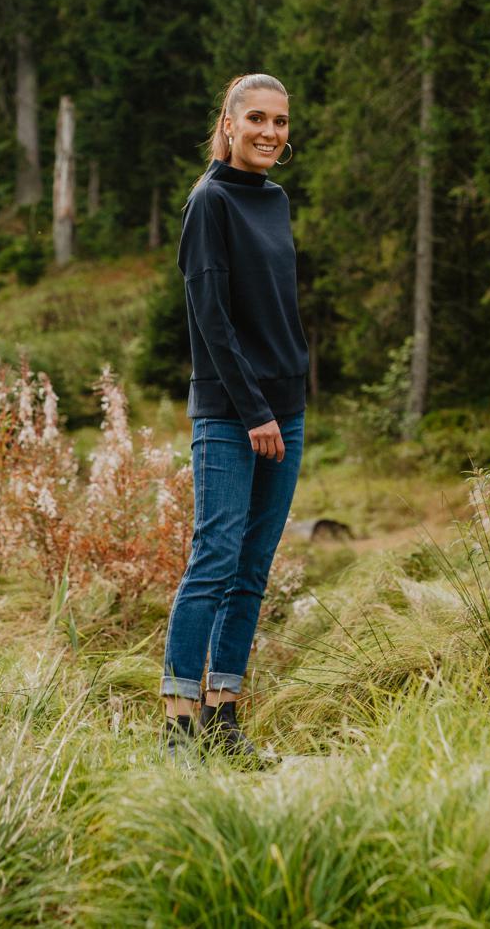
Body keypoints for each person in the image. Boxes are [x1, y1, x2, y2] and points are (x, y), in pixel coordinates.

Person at [161, 72, 308, 763]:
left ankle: (223, 721)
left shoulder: (273, 201)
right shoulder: (208, 202)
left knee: (251, 569)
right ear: (227, 123)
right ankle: (178, 724)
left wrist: (285, 401)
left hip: (287, 409)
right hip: (231, 413)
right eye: (256, 119)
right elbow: (211, 321)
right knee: (213, 561)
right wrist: (253, 411)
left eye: (279, 122)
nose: (269, 134)